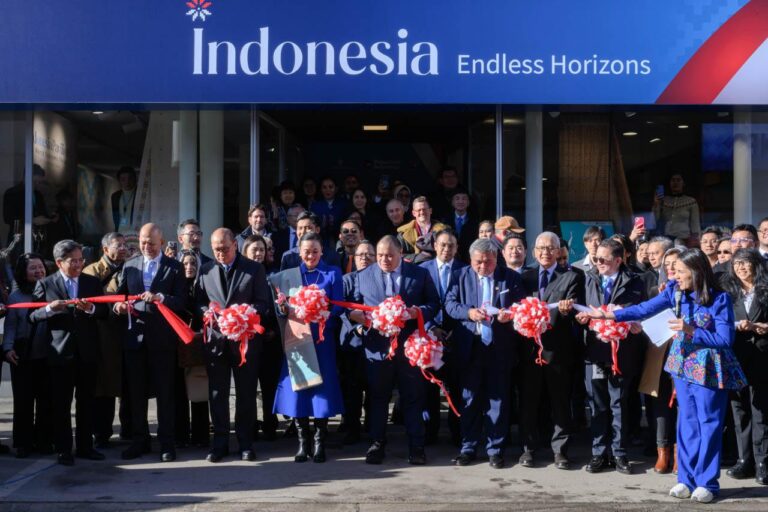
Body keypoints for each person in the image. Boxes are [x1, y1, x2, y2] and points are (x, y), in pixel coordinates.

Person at [587, 249, 746, 503]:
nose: (676, 275)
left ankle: (708, 483)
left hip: (709, 369)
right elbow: (643, 309)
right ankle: (686, 479)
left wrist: (691, 330)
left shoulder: (720, 299)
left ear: (697, 272)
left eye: (681, 271)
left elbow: (725, 339)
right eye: (674, 270)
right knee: (686, 424)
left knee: (709, 424)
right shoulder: (674, 291)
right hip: (682, 365)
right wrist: (609, 315)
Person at [348, 235, 439, 465]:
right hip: (377, 348)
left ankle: (416, 445)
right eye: (380, 255)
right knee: (378, 397)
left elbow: (433, 303)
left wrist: (416, 312)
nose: (384, 260)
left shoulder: (419, 274)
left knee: (413, 397)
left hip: (409, 347)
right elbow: (351, 305)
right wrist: (356, 319)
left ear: (401, 254)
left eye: (389, 255)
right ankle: (377, 443)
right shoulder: (364, 275)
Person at [445, 238, 525, 468]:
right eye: (478, 262)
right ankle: (468, 447)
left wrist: (509, 314)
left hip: (499, 348)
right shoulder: (460, 276)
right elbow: (449, 304)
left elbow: (521, 306)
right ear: (470, 260)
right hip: (471, 346)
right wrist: (469, 312)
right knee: (470, 400)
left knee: (498, 400)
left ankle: (495, 449)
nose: (483, 267)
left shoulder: (510, 277)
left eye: (488, 262)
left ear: (496, 259)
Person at [572, 239, 647, 475]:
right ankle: (598, 453)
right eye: (595, 259)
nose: (598, 263)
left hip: (622, 352)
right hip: (595, 351)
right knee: (598, 404)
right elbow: (580, 308)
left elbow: (643, 311)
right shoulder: (587, 279)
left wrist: (636, 324)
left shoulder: (635, 281)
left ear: (618, 260)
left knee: (620, 404)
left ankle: (620, 453)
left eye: (603, 260)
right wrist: (581, 319)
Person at [29, 239, 107, 466]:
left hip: (87, 352)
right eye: (73, 261)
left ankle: (85, 446)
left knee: (86, 402)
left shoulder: (91, 282)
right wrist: (49, 309)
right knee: (61, 404)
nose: (78, 265)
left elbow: (104, 311)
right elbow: (31, 316)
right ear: (59, 262)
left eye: (81, 260)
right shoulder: (46, 284)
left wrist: (91, 308)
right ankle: (64, 448)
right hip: (60, 353)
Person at [197, 228, 270, 462]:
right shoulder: (206, 269)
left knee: (246, 394)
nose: (220, 253)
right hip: (217, 342)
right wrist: (207, 312)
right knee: (217, 394)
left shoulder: (254, 269)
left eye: (224, 249)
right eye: (216, 249)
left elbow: (263, 303)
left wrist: (242, 314)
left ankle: (245, 442)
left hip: (245, 342)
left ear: (235, 245)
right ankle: (219, 443)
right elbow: (198, 301)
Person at [114, 223, 186, 462]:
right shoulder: (130, 265)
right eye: (143, 242)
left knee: (165, 394)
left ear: (162, 243)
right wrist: (118, 306)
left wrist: (161, 298)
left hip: (162, 340)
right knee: (135, 394)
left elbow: (182, 301)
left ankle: (166, 443)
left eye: (152, 243)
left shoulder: (174, 268)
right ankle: (139, 440)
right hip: (135, 338)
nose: (146, 247)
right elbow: (119, 296)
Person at [271, 233, 344, 463]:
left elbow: (339, 306)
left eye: (315, 251)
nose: (310, 255)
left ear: (321, 251)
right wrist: (282, 308)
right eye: (306, 251)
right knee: (300, 390)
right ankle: (303, 442)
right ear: (299, 252)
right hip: (298, 337)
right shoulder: (289, 276)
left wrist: (323, 316)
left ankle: (320, 441)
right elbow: (282, 310)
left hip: (322, 339)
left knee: (320, 389)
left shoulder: (332, 273)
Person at [518, 232, 584, 470]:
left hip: (558, 350)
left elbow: (577, 312)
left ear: (558, 251)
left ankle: (560, 451)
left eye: (550, 248)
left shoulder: (572, 277)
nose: (545, 252)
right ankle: (529, 449)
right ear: (534, 251)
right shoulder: (524, 277)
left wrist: (567, 311)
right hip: (529, 350)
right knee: (530, 402)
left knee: (560, 402)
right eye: (541, 248)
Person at [720, 249, 768, 485]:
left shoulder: (765, 290)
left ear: (756, 265)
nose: (740, 267)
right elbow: (718, 321)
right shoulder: (728, 292)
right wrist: (735, 325)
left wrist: (764, 326)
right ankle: (744, 460)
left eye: (745, 263)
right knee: (739, 411)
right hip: (736, 358)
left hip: (762, 356)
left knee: (761, 412)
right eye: (736, 263)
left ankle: (763, 463)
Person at [420, 229, 467, 444]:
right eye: (443, 245)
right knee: (429, 387)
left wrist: (455, 329)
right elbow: (418, 302)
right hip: (429, 336)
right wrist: (430, 327)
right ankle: (430, 432)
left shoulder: (465, 271)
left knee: (456, 386)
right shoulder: (423, 270)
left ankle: (457, 432)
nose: (447, 249)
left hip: (456, 335)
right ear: (435, 246)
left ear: (457, 249)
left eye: (451, 246)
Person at [82, 232, 129, 449]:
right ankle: (101, 433)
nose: (123, 249)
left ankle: (129, 429)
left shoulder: (132, 267)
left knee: (128, 384)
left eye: (125, 245)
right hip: (103, 335)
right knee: (104, 387)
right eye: (117, 245)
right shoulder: (91, 272)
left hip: (126, 333)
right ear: (105, 249)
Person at [3, 253, 53, 458]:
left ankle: (44, 441)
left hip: (48, 352)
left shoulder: (52, 291)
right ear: (23, 272)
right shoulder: (16, 297)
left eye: (40, 267)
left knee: (46, 400)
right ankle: (23, 443)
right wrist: (7, 349)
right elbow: (11, 327)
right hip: (22, 353)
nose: (38, 271)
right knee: (23, 401)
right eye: (33, 268)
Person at [239, 236, 281, 440]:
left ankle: (271, 424)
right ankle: (250, 425)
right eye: (254, 249)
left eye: (262, 250)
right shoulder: (240, 274)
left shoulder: (273, 275)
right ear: (245, 251)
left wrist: (272, 328)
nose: (258, 254)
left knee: (269, 385)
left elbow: (277, 306)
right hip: (246, 337)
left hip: (270, 338)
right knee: (247, 386)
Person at [338, 241, 376, 444]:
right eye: (361, 255)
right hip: (351, 343)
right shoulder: (346, 280)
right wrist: (354, 320)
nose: (365, 258)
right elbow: (337, 308)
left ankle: (373, 428)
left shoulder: (381, 280)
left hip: (376, 343)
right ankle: (352, 429)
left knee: (374, 389)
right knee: (351, 390)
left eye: (370, 254)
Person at [176, 250, 210, 448]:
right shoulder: (174, 287)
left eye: (192, 264)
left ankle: (201, 436)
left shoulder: (202, 287)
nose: (189, 267)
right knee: (179, 392)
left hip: (197, 344)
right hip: (177, 345)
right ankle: (181, 435)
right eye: (185, 263)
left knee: (199, 390)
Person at [652, 174, 701, 247]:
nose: (675, 183)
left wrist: (696, 238)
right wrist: (656, 204)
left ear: (683, 183)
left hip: (684, 238)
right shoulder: (663, 200)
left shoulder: (691, 201)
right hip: (666, 238)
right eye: (673, 180)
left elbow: (695, 222)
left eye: (678, 180)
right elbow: (655, 219)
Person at [442, 187, 478, 262]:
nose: (461, 201)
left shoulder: (474, 221)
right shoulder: (445, 221)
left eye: (464, 199)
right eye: (457, 199)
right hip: (449, 257)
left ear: (468, 202)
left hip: (468, 258)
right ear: (452, 202)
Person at [310, 177, 349, 247]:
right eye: (324, 187)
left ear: (336, 189)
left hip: (340, 240)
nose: (327, 190)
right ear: (321, 189)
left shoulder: (343, 204)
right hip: (320, 241)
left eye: (330, 187)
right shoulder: (315, 206)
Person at [111, 166, 138, 232]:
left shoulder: (139, 194)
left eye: (130, 178)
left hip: (135, 231)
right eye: (123, 179)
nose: (127, 182)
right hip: (120, 231)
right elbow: (115, 216)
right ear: (119, 181)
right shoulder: (115, 196)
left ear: (135, 179)